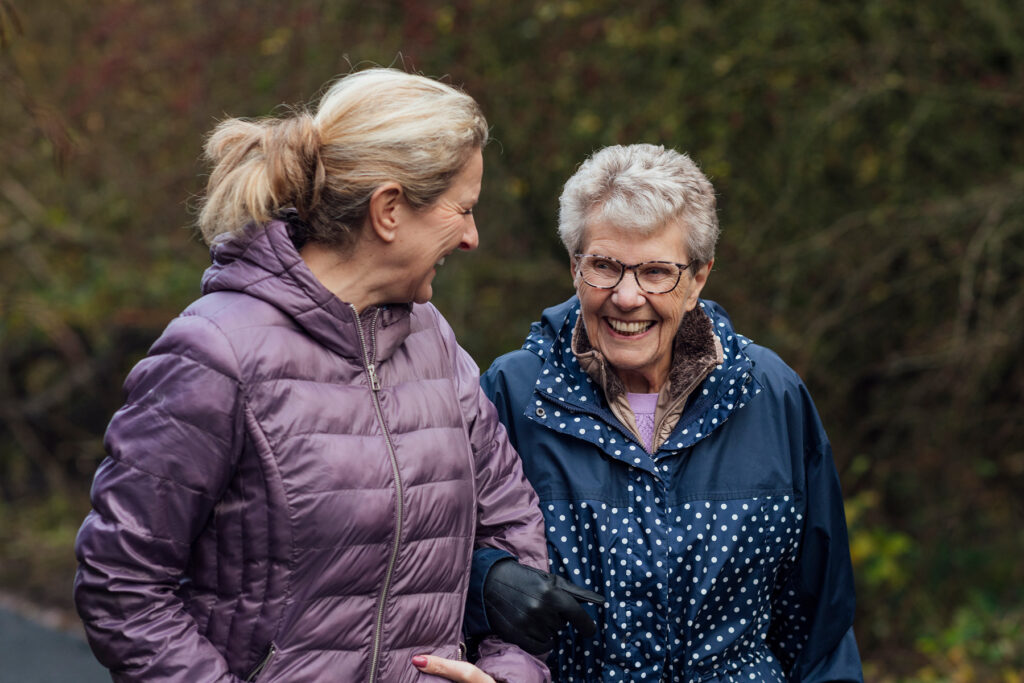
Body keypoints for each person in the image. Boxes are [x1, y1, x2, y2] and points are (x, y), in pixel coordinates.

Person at [73, 68, 555, 683]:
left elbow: (514, 529)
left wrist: (505, 675)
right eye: (462, 210)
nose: (471, 237)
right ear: (388, 210)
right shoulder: (214, 354)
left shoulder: (435, 342)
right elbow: (122, 584)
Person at [475, 144, 864, 681]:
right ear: (574, 267)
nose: (627, 297)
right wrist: (486, 581)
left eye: (657, 272)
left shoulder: (771, 394)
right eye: (605, 267)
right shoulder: (512, 394)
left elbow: (820, 626)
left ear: (699, 278)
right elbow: (431, 566)